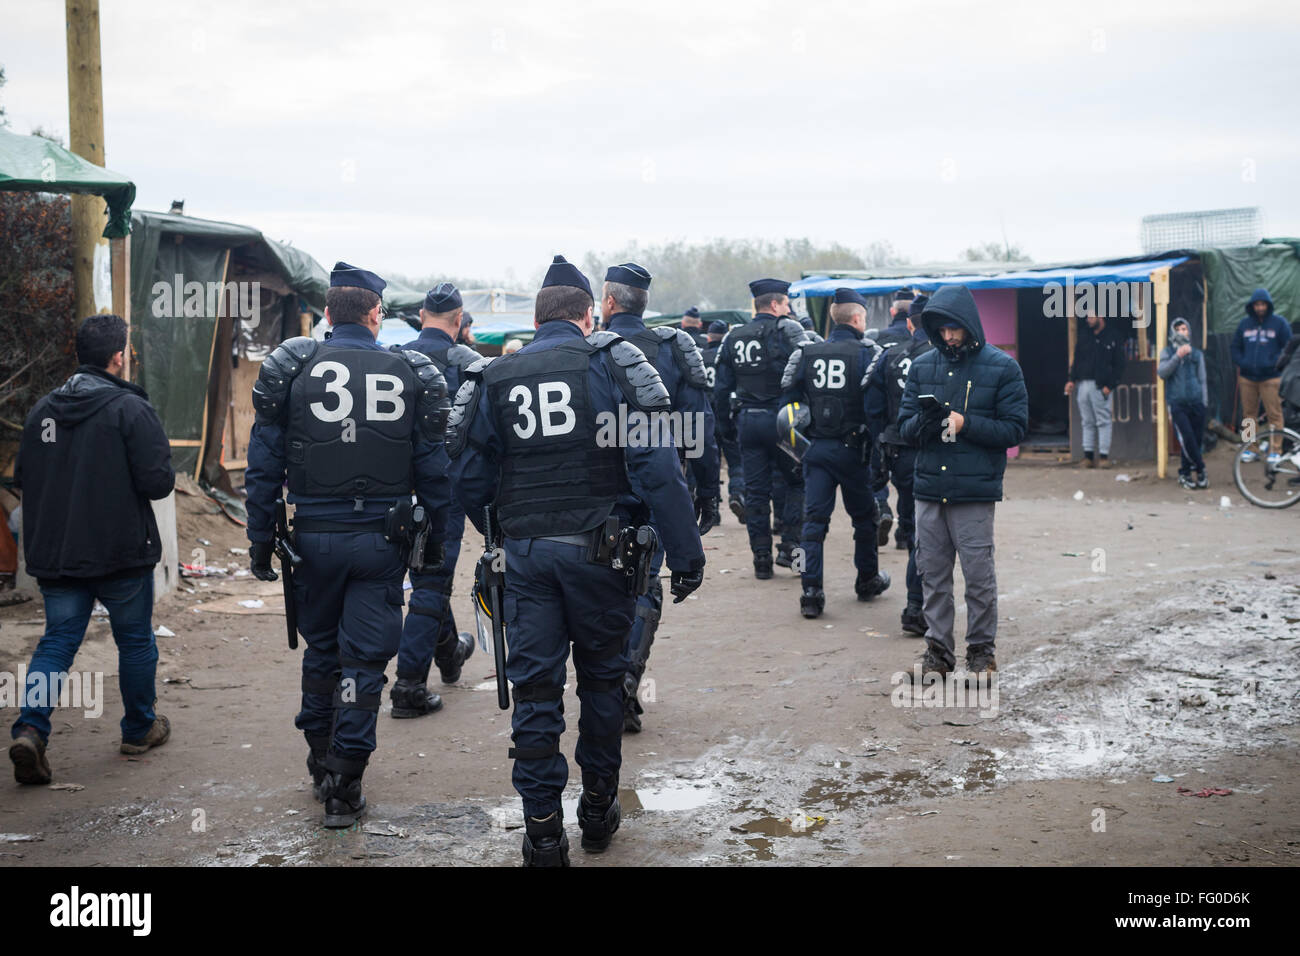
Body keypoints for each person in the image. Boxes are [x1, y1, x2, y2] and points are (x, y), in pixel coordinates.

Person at [448, 254, 704, 866]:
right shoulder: (612, 365)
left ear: (537, 319)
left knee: (536, 692)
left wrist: (501, 530)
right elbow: (657, 470)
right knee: (602, 684)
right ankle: (596, 810)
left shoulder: (495, 375)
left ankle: (541, 832)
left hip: (528, 560)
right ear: (589, 315)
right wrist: (686, 555)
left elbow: (467, 477)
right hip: (603, 557)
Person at [245, 262, 451, 828]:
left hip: (312, 536)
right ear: (376, 314)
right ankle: (345, 783)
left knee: (320, 652)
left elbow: (261, 467)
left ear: (328, 314)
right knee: (363, 663)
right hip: (381, 542)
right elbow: (434, 473)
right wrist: (435, 544)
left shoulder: (293, 365)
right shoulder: (411, 370)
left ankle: (320, 759)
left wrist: (260, 540)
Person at [8, 314, 175, 784]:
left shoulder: (43, 411)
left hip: (58, 554)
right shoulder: (130, 410)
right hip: (120, 551)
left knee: (57, 642)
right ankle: (139, 728)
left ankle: (30, 729)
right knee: (135, 640)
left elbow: (25, 480)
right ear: (118, 356)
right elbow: (158, 483)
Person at [600, 263, 718, 733]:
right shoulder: (670, 347)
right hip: (656, 486)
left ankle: (608, 683)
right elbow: (700, 426)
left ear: (608, 302)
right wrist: (708, 490)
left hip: (597, 492)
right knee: (644, 583)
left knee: (602, 583)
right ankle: (625, 681)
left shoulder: (588, 351)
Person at [898, 285, 1027, 680]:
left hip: (973, 491)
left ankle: (981, 654)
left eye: (955, 329)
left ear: (970, 324)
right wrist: (926, 421)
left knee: (978, 576)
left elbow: (1015, 428)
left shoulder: (1003, 367)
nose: (949, 337)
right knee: (932, 575)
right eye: (942, 330)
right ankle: (938, 653)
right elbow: (902, 428)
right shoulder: (921, 367)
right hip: (928, 490)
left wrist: (965, 424)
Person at [391, 282, 480, 717]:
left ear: (422, 316)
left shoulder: (394, 357)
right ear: (459, 321)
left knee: (429, 578)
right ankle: (408, 685)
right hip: (446, 489)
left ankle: (449, 653)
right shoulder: (468, 364)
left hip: (392, 491)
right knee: (431, 579)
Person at [780, 288, 890, 618]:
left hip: (815, 450)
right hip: (854, 452)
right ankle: (867, 579)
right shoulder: (869, 353)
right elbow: (876, 409)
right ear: (857, 318)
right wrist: (879, 455)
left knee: (812, 523)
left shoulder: (806, 352)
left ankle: (810, 592)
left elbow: (787, 408)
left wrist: (798, 451)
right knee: (865, 519)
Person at [713, 278, 807, 578]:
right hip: (783, 421)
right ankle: (791, 548)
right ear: (776, 304)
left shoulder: (734, 336)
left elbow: (720, 387)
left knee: (755, 492)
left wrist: (726, 426)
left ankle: (761, 560)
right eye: (787, 304)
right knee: (797, 484)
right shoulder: (786, 333)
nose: (789, 310)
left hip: (748, 421)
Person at [867, 293, 933, 636]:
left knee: (914, 527)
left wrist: (878, 451)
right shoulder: (942, 357)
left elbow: (873, 409)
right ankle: (920, 605)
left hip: (899, 454)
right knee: (934, 534)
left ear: (909, 322)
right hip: (936, 454)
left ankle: (914, 604)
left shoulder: (890, 356)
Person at [1230, 288, 1291, 462]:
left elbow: (1288, 347)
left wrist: (1275, 363)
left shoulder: (1279, 324)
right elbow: (1235, 347)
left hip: (1271, 378)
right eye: (1257, 304)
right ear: (1252, 306)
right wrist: (1242, 362)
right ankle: (1251, 448)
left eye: (1263, 304)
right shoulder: (1244, 324)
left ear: (1268, 305)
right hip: (1247, 377)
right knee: (1248, 415)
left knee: (1274, 415)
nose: (1260, 307)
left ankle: (1275, 450)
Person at [1064, 306, 1125, 468]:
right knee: (1087, 421)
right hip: (1083, 384)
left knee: (1103, 421)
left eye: (1091, 316)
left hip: (1101, 386)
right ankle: (1088, 457)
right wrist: (1071, 380)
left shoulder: (1113, 337)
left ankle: (1104, 457)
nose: (1088, 319)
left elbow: (1119, 365)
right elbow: (1076, 361)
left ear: (1101, 316)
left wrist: (1110, 386)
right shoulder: (1084, 336)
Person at [1158, 317, 1209, 490]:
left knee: (1196, 439)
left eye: (1184, 329)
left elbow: (1202, 379)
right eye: (1178, 329)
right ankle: (1201, 469)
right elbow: (1162, 373)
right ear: (1173, 332)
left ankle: (1185, 473)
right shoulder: (1167, 352)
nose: (1182, 332)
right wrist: (1177, 357)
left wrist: (1204, 403)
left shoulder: (1196, 354)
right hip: (1177, 403)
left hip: (1196, 402)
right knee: (1187, 438)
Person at [702, 319, 745, 522]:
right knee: (736, 461)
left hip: (705, 419)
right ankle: (737, 493)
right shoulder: (732, 358)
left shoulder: (700, 357)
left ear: (709, 337)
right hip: (727, 417)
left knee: (710, 464)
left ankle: (713, 511)